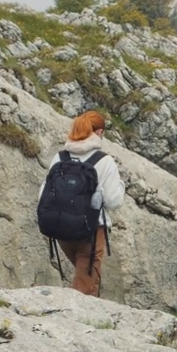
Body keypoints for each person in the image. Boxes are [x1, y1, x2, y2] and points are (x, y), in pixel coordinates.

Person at [39, 110, 125, 296]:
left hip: (61, 230)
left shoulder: (60, 158)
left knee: (87, 280)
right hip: (91, 232)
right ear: (100, 132)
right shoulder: (104, 161)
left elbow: (43, 195)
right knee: (84, 288)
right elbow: (114, 201)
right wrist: (121, 185)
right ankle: (73, 321)